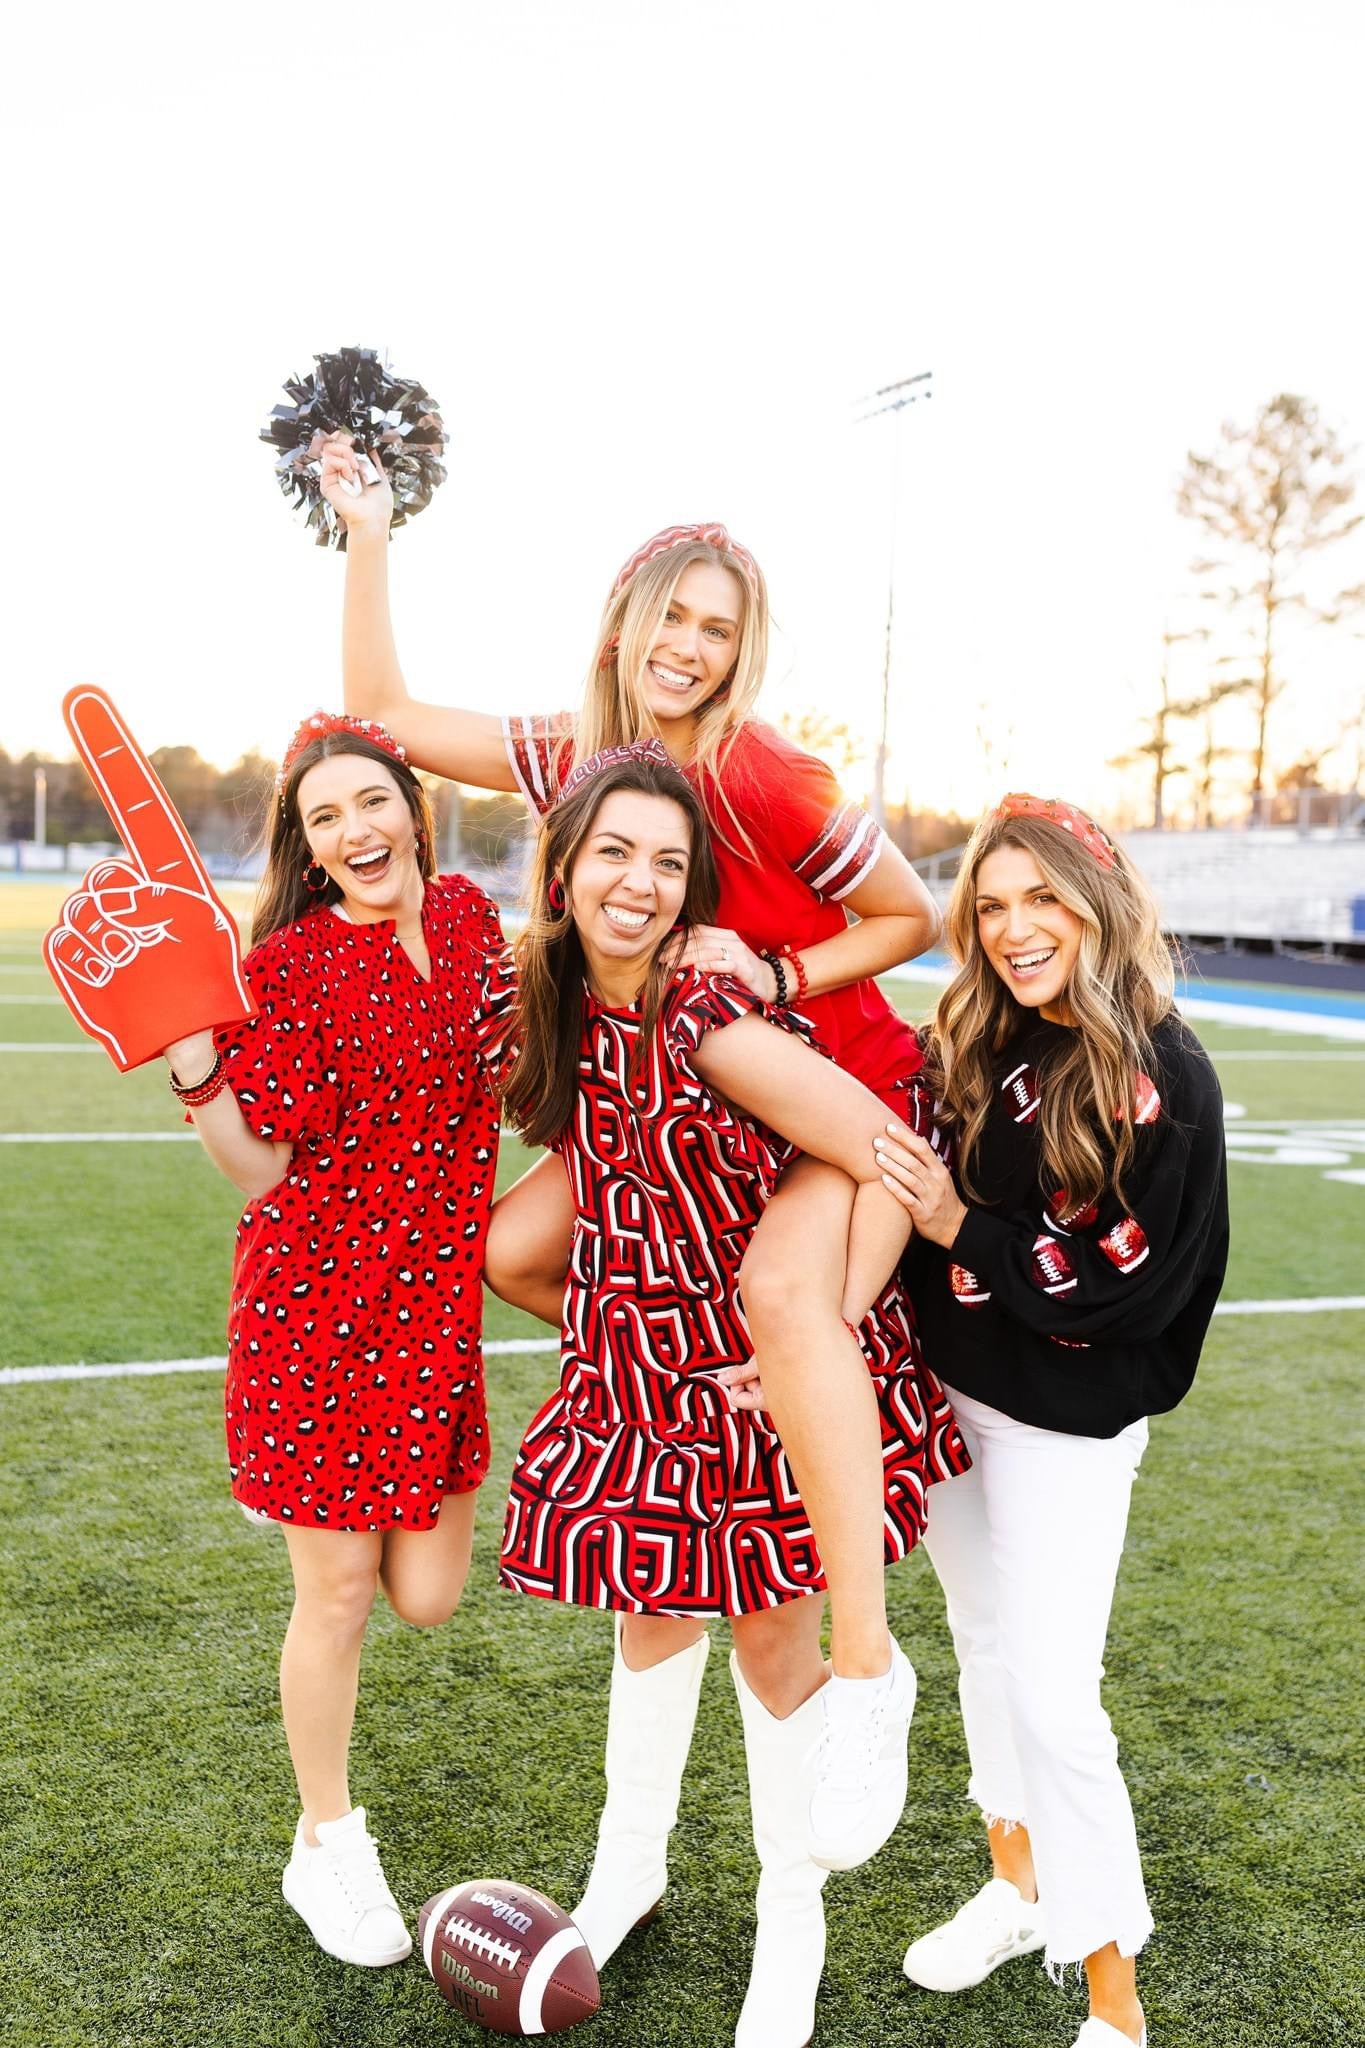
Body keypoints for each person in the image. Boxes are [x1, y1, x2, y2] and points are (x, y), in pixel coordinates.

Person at [323, 445, 941, 1865]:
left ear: (743, 654)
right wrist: (369, 532)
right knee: (513, 1249)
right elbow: (385, 715)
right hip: (678, 1100)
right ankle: (679, 1356)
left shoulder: (768, 773)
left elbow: (909, 919)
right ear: (624, 619)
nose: (691, 645)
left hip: (812, 1087)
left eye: (720, 629)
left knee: (790, 1309)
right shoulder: (575, 753)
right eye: (675, 614)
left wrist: (774, 973)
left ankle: (863, 1658)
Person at [471, 738, 967, 2048]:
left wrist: (834, 1319)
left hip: (755, 1375)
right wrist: (610, 1332)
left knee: (767, 1646)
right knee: (645, 1622)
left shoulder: (712, 1024)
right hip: (645, 1366)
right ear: (565, 867)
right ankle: (627, 1870)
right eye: (613, 852)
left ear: (692, 895)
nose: (637, 882)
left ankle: (787, 1927)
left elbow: (885, 1147)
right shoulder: (568, 1005)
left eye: (669, 862)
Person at [872, 793, 1228, 2048]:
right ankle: (1016, 1884)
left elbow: (1134, 1280)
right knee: (984, 1649)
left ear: (1099, 901)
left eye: (1043, 899)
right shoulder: (980, 1033)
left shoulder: (1165, 1074)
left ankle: (1114, 2003)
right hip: (953, 1394)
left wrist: (959, 1228)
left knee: (1057, 1697)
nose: (1016, 928)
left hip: (1064, 1424)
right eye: (992, 903)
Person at [161, 711, 501, 1969]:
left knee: (428, 1595)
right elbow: (259, 1167)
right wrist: (199, 1066)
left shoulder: (468, 923)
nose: (355, 830)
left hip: (432, 1322)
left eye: (371, 803)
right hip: (314, 1318)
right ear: (309, 849)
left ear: (412, 809)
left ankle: (327, 1826)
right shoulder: (295, 966)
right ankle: (327, 1839)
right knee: (342, 1595)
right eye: (324, 819)